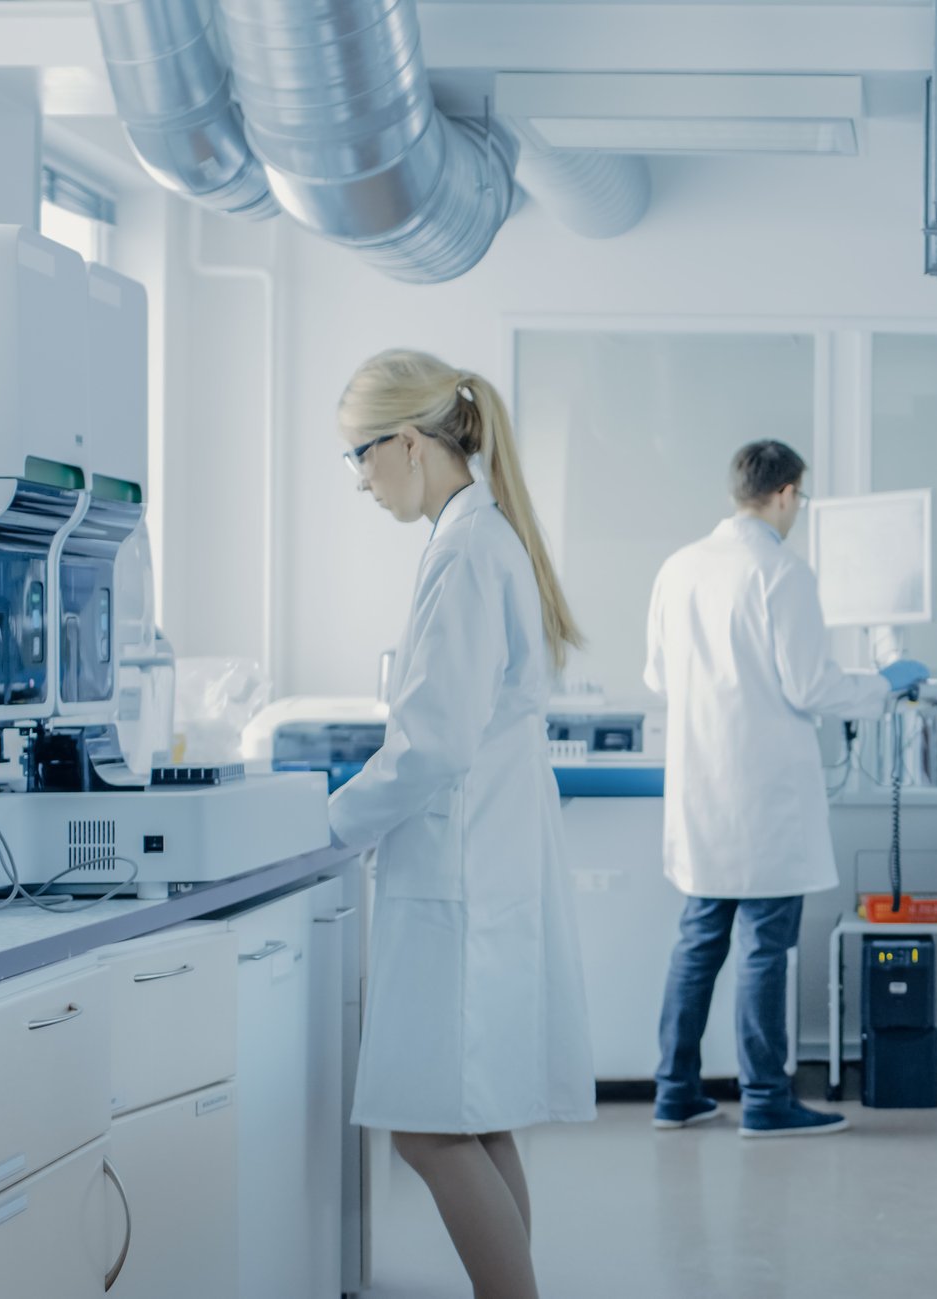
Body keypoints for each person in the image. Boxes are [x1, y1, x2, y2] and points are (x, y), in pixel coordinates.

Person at [330, 350, 595, 1299]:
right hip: (482, 866)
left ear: (408, 442)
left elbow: (432, 742)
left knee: (429, 1129)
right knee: (473, 1122)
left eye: (360, 454)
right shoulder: (479, 536)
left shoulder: (467, 549)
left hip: (464, 878)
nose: (359, 478)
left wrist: (333, 823)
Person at [644, 439, 930, 1136]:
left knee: (698, 942)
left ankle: (675, 1094)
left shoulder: (678, 567)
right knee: (763, 948)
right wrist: (887, 686)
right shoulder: (781, 571)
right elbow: (811, 686)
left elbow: (657, 677)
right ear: (786, 493)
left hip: (701, 792)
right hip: (763, 797)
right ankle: (767, 1101)